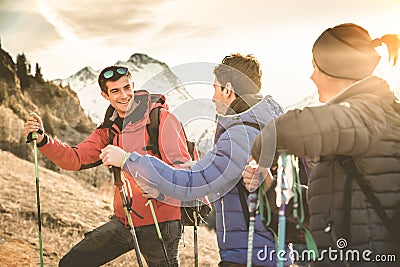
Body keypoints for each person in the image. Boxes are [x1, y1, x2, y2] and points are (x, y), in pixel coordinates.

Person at [100, 53, 291, 266]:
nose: (212, 97)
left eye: (215, 88)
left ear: (228, 89)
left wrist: (128, 160)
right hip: (271, 251)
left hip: (249, 255)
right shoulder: (272, 127)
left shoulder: (241, 134)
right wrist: (200, 167)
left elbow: (191, 184)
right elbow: (227, 176)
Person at [245, 23, 400, 266]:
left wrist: (265, 148)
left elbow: (287, 131)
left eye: (315, 67)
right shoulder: (357, 124)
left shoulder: (371, 111)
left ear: (332, 69)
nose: (311, 76)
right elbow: (321, 215)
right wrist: (269, 184)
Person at [24, 66, 192, 266]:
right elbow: (74, 158)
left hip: (161, 222)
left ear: (133, 87)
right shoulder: (109, 130)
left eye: (127, 88)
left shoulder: (161, 119)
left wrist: (159, 187)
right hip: (125, 221)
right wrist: (43, 140)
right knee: (72, 263)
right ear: (105, 95)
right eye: (115, 91)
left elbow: (183, 170)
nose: (124, 95)